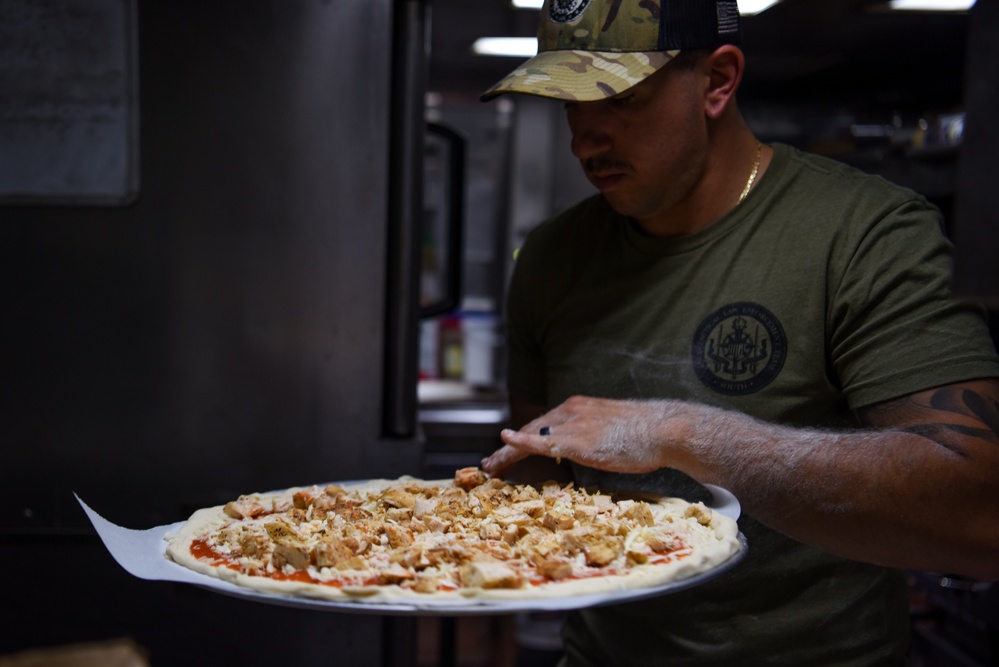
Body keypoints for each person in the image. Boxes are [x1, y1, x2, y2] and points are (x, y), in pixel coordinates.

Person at [478, 1, 999, 664]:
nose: (584, 140)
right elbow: (537, 478)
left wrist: (683, 435)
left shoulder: (864, 236)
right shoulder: (553, 258)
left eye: (619, 99)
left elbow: (980, 516)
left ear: (717, 81)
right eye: (568, 106)